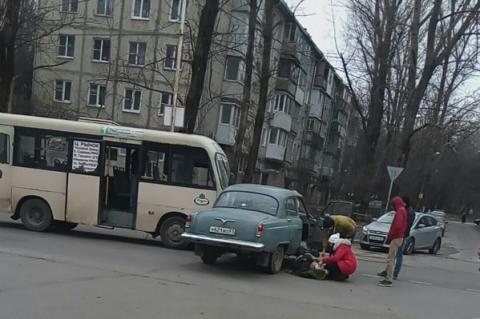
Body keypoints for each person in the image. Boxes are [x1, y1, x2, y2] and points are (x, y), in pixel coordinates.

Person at [378, 196, 407, 287]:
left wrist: (391, 235)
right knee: (392, 257)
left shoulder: (400, 211)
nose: (392, 207)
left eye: (393, 205)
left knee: (390, 258)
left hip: (396, 237)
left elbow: (397, 226)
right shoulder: (403, 210)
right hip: (399, 237)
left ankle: (389, 279)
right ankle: (387, 275)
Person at [393, 196, 416, 279]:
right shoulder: (407, 210)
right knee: (394, 254)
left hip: (402, 235)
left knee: (398, 254)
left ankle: (395, 272)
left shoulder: (408, 212)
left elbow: (406, 225)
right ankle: (390, 271)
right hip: (401, 235)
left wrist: (401, 235)